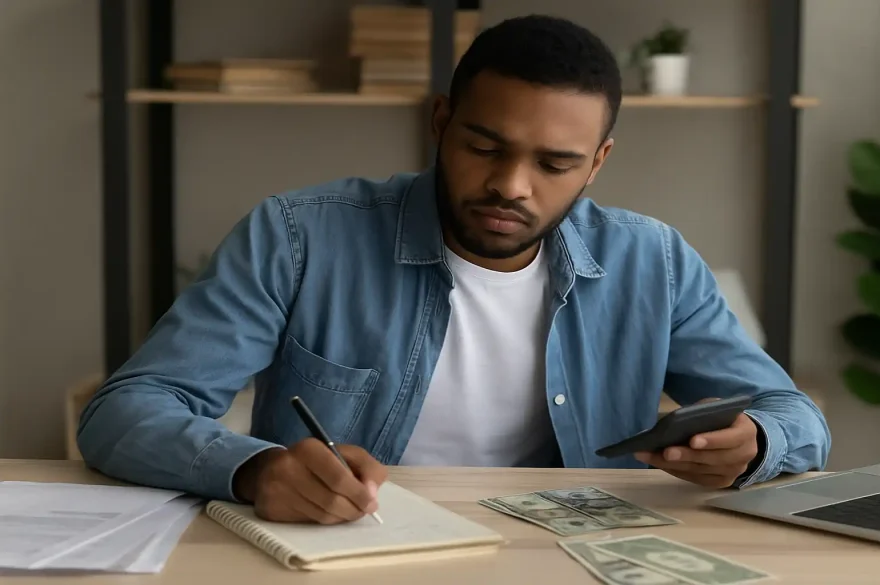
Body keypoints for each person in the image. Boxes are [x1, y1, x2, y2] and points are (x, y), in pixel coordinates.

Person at [77, 14, 830, 526]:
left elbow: (797, 417)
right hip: (353, 549)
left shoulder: (654, 260)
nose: (512, 184)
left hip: (562, 552)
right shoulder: (299, 235)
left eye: (555, 162)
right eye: (484, 145)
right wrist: (256, 468)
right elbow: (126, 410)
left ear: (597, 164)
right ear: (440, 123)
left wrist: (759, 439)